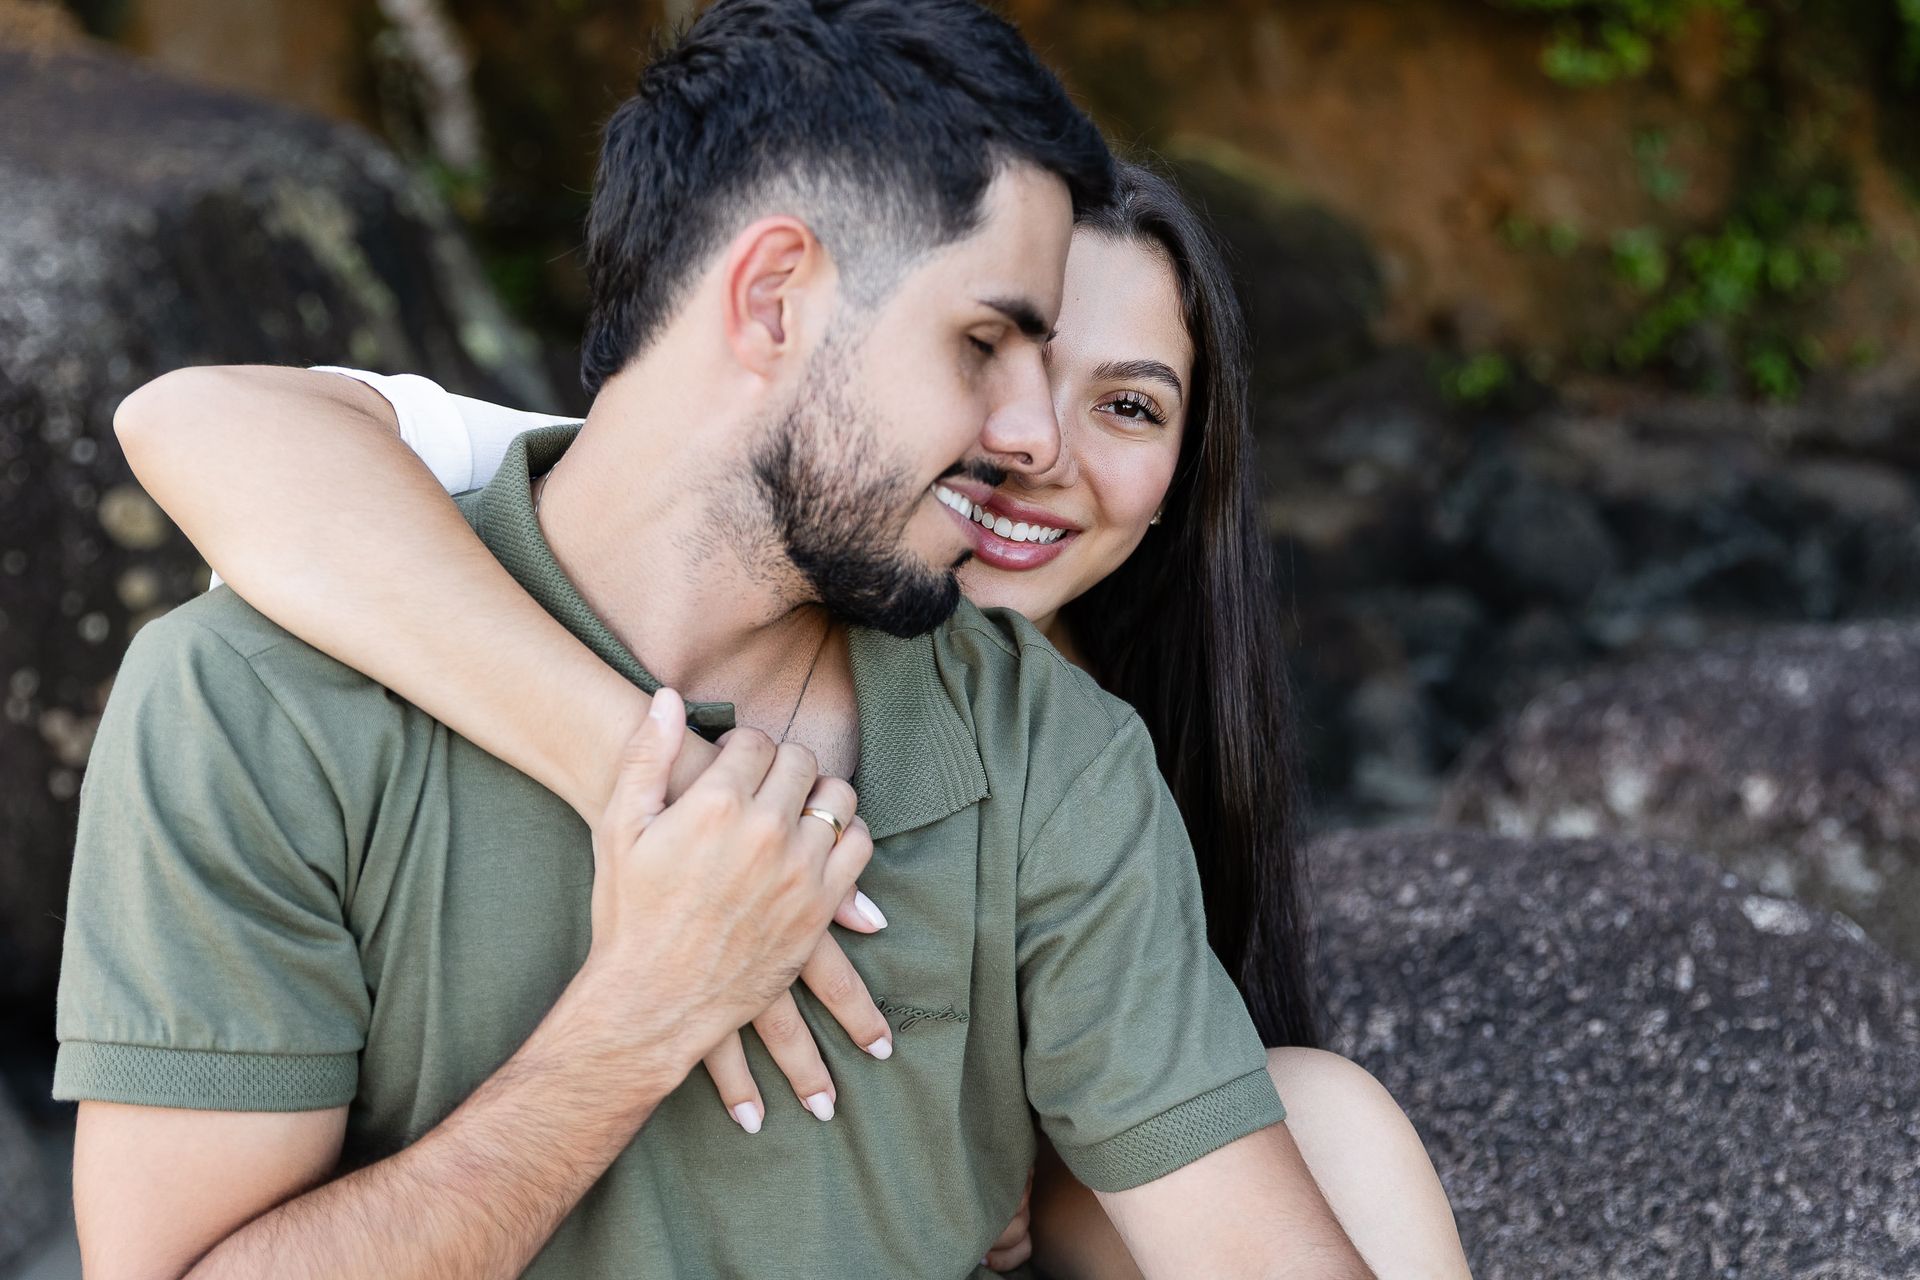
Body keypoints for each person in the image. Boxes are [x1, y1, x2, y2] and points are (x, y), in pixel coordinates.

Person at [55, 3, 1388, 1278]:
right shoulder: (256, 703)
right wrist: (640, 1014)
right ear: (774, 300)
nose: (1030, 438)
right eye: (986, 342)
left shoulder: (1050, 748)